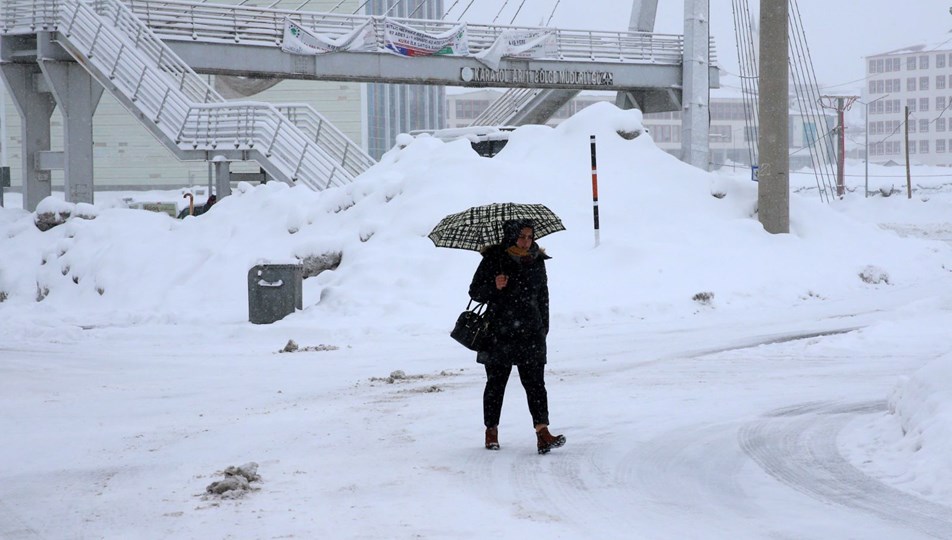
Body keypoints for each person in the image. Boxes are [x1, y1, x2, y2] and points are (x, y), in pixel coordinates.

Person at [468, 219, 566, 455]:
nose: (526, 241)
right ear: (511, 236)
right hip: (499, 332)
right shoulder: (493, 259)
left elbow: (543, 297)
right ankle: (491, 431)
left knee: (535, 384)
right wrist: (494, 285)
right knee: (496, 384)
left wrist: (544, 328)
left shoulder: (537, 260)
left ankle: (543, 433)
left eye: (530, 237)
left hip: (530, 332)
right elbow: (475, 292)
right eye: (521, 236)